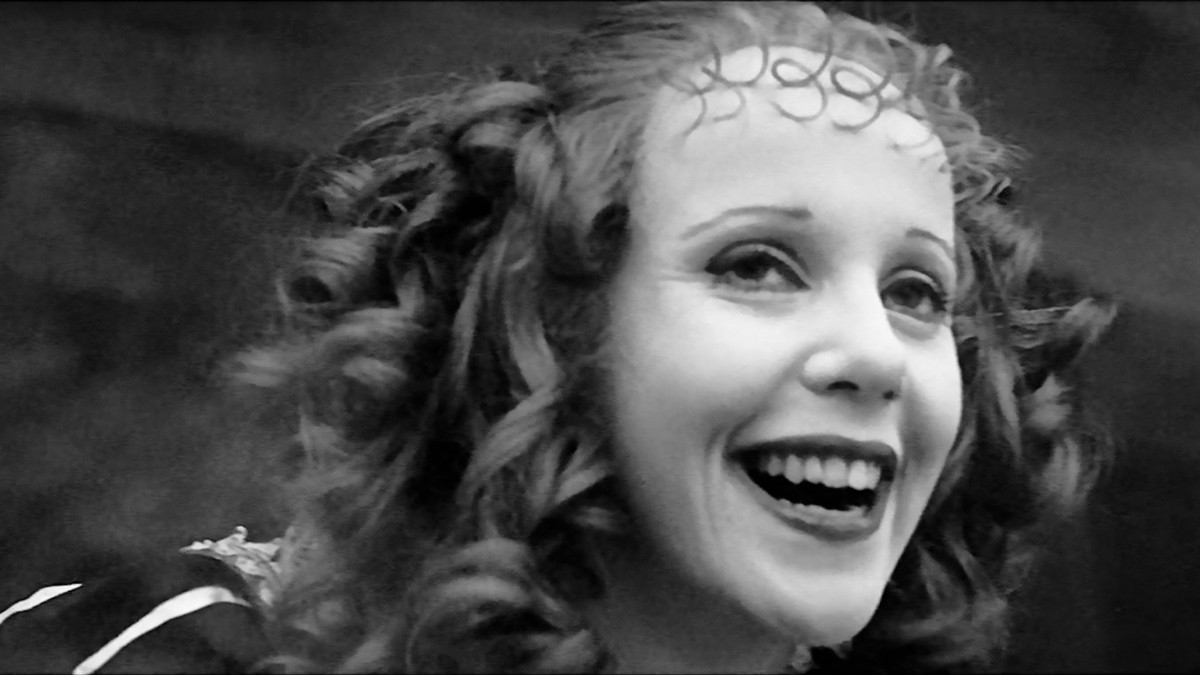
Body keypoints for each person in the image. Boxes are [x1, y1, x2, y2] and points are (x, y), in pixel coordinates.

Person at [0, 1, 1115, 672]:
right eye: (757, 266)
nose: (874, 354)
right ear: (543, 316)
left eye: (918, 293)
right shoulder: (157, 645)